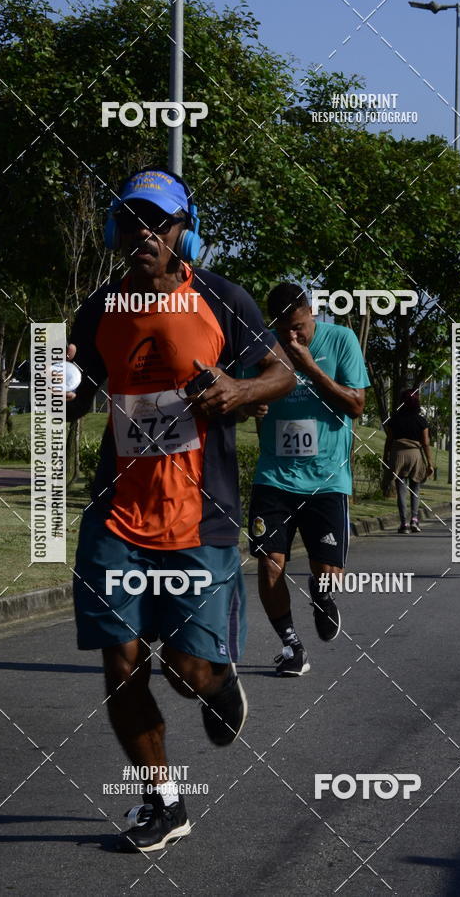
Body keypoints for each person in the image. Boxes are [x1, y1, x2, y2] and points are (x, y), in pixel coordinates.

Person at [66, 167, 295, 852]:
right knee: (121, 662)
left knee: (184, 670)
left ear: (181, 230)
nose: (144, 233)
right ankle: (163, 800)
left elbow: (279, 373)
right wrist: (59, 386)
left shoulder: (222, 299)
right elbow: (78, 396)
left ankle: (218, 684)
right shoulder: (99, 307)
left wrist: (238, 390)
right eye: (132, 220)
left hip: (202, 517)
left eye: (157, 222)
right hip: (117, 516)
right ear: (117, 228)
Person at [245, 283, 370, 677]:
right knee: (268, 564)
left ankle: (323, 595)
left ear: (311, 311)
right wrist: (253, 401)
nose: (292, 337)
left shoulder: (341, 339)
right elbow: (243, 395)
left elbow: (356, 404)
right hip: (274, 476)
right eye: (284, 331)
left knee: (327, 573)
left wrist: (310, 367)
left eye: (298, 327)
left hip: (326, 481)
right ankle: (291, 646)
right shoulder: (263, 346)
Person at [384, 389, 433, 533]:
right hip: (415, 455)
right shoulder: (421, 420)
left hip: (398, 455)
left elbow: (389, 439)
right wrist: (430, 463)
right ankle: (414, 520)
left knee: (401, 490)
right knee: (415, 489)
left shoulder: (394, 419)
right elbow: (425, 442)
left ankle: (403, 523)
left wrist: (385, 456)